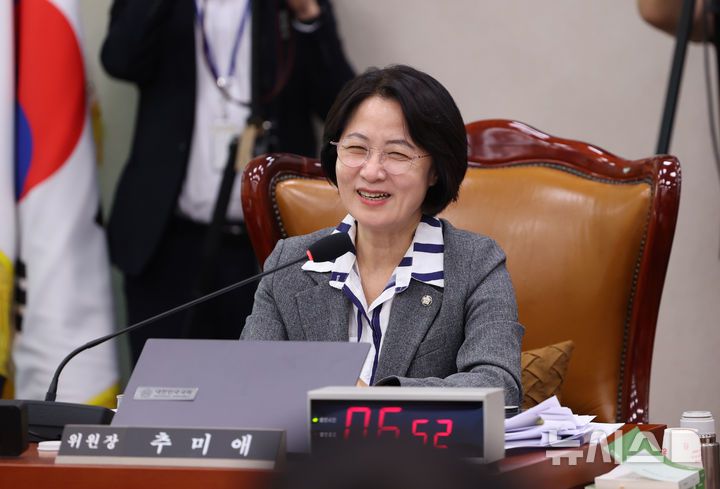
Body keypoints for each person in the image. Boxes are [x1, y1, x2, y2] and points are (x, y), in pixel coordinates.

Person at [241, 65, 523, 405]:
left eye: (397, 154)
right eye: (356, 149)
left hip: (419, 442)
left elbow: (499, 388)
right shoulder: (291, 263)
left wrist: (375, 400)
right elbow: (249, 384)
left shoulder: (475, 264)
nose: (372, 171)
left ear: (435, 171)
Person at [100, 0, 354, 363]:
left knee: (260, 384)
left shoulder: (282, 10)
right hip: (167, 242)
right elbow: (120, 60)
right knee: (164, 383)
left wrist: (308, 16)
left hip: (267, 250)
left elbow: (338, 105)